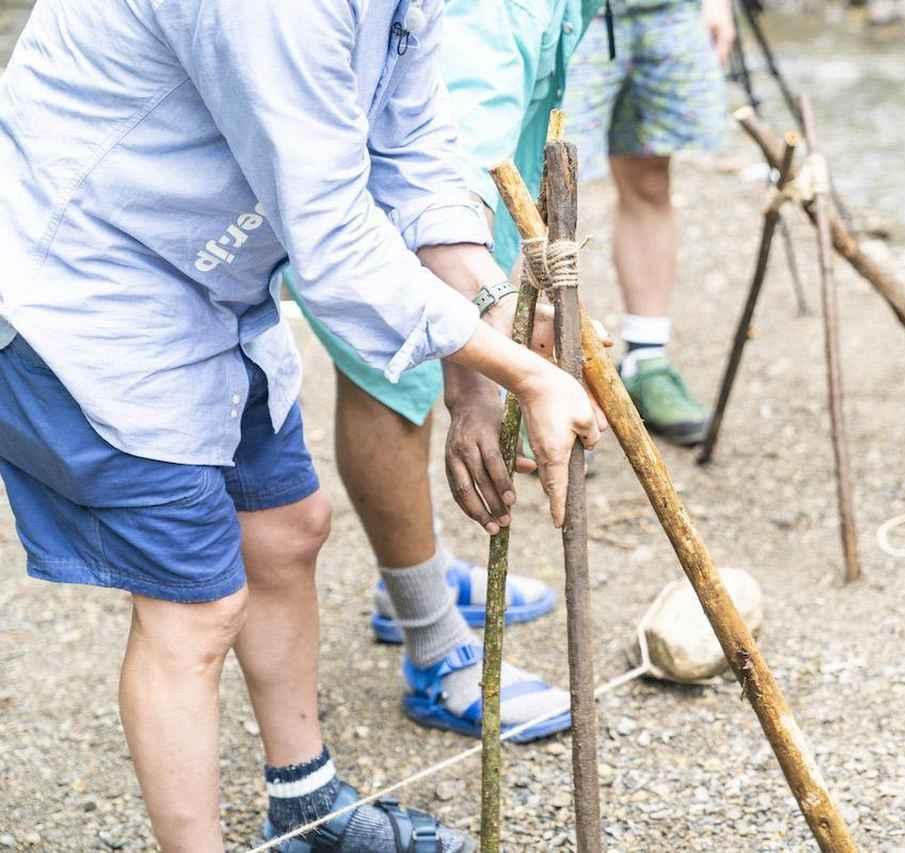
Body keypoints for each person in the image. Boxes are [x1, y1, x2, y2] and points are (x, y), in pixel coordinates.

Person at [0, 1, 603, 850]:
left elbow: (417, 156)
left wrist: (493, 315)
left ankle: (305, 807)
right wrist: (524, 371)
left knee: (287, 528)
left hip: (210, 272)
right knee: (193, 609)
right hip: (86, 284)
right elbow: (335, 242)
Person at [287, 0, 604, 745]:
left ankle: (414, 560)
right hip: (388, 222)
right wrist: (479, 370)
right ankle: (431, 635)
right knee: (392, 380)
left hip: (454, 186)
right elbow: (437, 160)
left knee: (422, 368)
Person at [562, 0, 735, 445]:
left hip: (668, 12)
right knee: (546, 184)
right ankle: (531, 375)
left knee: (651, 177)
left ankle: (646, 360)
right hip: (568, 14)